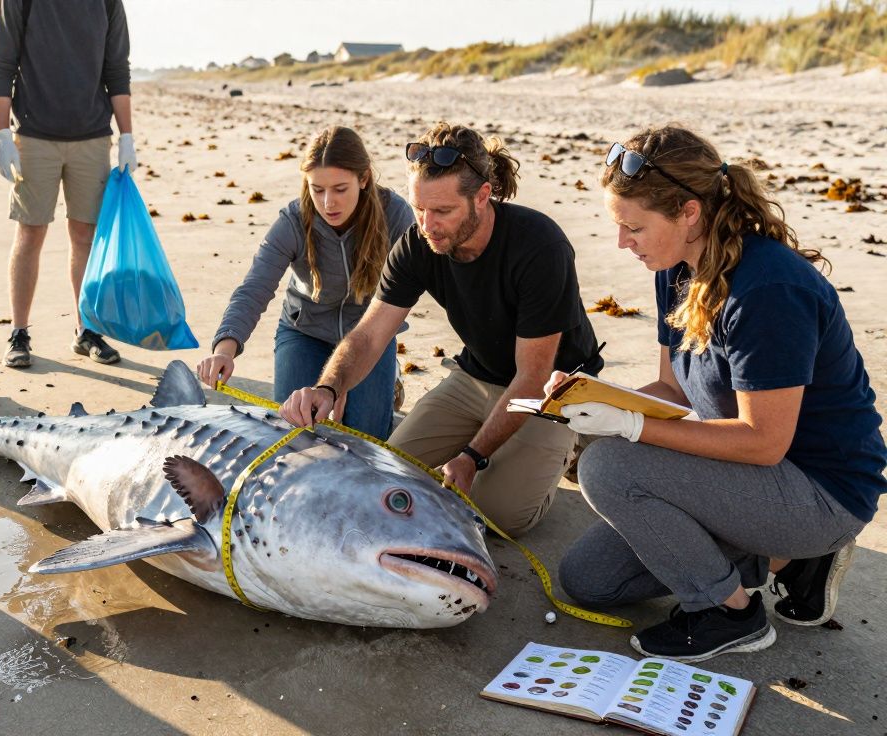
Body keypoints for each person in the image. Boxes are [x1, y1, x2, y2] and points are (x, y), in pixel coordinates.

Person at [556, 126, 886, 663]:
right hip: (742, 481)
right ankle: (792, 562)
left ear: (689, 212)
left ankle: (731, 614)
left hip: (820, 492)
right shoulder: (676, 265)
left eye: (633, 227)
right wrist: (588, 398)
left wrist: (630, 429)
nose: (623, 243)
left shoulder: (769, 289)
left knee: (610, 468)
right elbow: (671, 387)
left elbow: (764, 443)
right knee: (590, 580)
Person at [279, 122, 604, 536]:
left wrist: (471, 456)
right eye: (419, 209)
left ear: (482, 197)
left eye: (443, 212)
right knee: (386, 475)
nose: (427, 224)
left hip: (549, 391)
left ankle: (571, 445)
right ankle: (505, 455)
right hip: (474, 378)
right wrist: (329, 388)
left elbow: (532, 376)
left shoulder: (540, 246)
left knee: (496, 515)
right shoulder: (419, 242)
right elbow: (369, 335)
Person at [197, 126, 414, 439]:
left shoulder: (395, 215)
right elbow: (255, 288)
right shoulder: (293, 220)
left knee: (364, 437)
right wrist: (225, 348)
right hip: (305, 331)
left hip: (370, 336)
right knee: (295, 432)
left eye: (340, 189)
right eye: (317, 189)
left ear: (364, 179)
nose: (328, 203)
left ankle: (387, 376)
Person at [0, 0, 136, 369]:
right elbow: (1, 62)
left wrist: (128, 136)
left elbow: (116, 69)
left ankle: (87, 330)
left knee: (85, 235)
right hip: (35, 135)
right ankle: (18, 333)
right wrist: (2, 133)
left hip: (93, 135)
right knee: (30, 233)